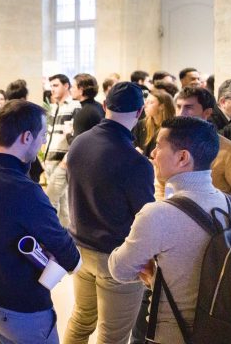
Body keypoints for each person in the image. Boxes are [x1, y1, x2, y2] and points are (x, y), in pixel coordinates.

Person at [0, 100, 80, 344]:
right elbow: (70, 257)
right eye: (42, 135)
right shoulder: (23, 189)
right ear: (27, 137)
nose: (43, 142)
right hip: (21, 310)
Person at [109, 117, 229, 344]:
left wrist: (153, 274)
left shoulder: (158, 214)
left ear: (183, 157)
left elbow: (120, 270)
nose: (153, 154)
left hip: (174, 334)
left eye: (159, 146)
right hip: (225, 330)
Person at [64, 82, 155, 344]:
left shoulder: (79, 142)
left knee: (81, 320)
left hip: (80, 249)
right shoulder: (135, 161)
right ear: (140, 113)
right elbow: (145, 216)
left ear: (105, 106)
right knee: (112, 335)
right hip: (116, 257)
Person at [172, 87, 231, 197]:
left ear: (207, 112)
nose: (181, 113)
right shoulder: (170, 144)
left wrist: (225, 210)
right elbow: (161, 184)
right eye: (178, 107)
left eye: (188, 107)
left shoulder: (229, 151)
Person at [45, 73, 81, 228]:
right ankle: (66, 237)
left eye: (56, 85)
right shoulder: (53, 108)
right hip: (49, 159)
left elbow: (76, 136)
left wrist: (68, 158)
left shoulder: (74, 107)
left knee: (50, 200)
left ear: (66, 86)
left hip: (63, 160)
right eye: (51, 86)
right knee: (62, 202)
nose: (52, 89)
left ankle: (52, 234)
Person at [133, 89, 176, 158]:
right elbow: (134, 144)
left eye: (151, 102)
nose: (145, 105)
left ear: (162, 106)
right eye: (146, 102)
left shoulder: (172, 128)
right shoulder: (141, 124)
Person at [69, 73, 104, 137]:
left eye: (73, 87)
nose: (70, 90)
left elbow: (77, 144)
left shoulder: (83, 114)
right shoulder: (99, 106)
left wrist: (67, 134)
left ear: (81, 90)